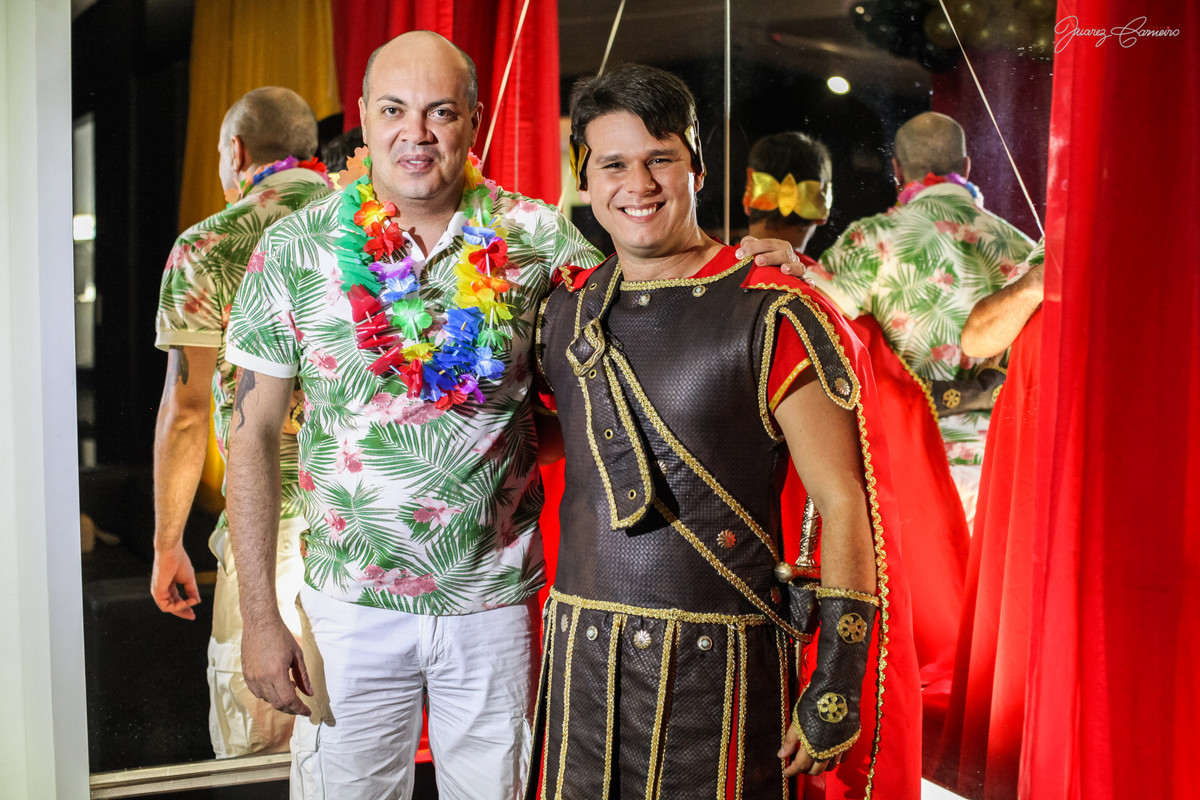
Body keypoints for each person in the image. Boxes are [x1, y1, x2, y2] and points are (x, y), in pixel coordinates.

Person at [222, 32, 801, 799]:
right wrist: (261, 620)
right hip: (348, 607)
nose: (416, 133)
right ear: (362, 118)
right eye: (394, 110)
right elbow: (252, 434)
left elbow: (646, 322)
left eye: (440, 112)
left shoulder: (537, 239)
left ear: (474, 119)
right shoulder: (297, 246)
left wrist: (736, 266)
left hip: (494, 607)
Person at [530, 64, 920, 799]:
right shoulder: (563, 314)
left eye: (660, 160)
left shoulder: (773, 311)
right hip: (580, 668)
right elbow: (552, 442)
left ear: (698, 167)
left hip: (723, 681)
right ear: (586, 179)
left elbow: (843, 500)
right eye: (613, 164)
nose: (636, 185)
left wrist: (834, 681)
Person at [745, 131, 970, 685]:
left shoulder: (709, 281)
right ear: (821, 202)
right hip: (948, 455)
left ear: (751, 191)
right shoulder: (833, 305)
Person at [151, 87, 333, 757]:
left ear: (236, 151)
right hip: (373, 525)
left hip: (273, 529)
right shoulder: (372, 223)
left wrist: (168, 540)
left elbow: (187, 412)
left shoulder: (211, 244)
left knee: (259, 741)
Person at [806, 112, 1034, 526]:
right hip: (1002, 458)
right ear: (966, 167)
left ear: (896, 169)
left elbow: (816, 323)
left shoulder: (870, 239)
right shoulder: (1018, 244)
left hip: (910, 454)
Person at [935, 240, 1045, 799]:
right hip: (996, 446)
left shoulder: (868, 243)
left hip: (961, 441)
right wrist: (1036, 283)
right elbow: (977, 338)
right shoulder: (1026, 244)